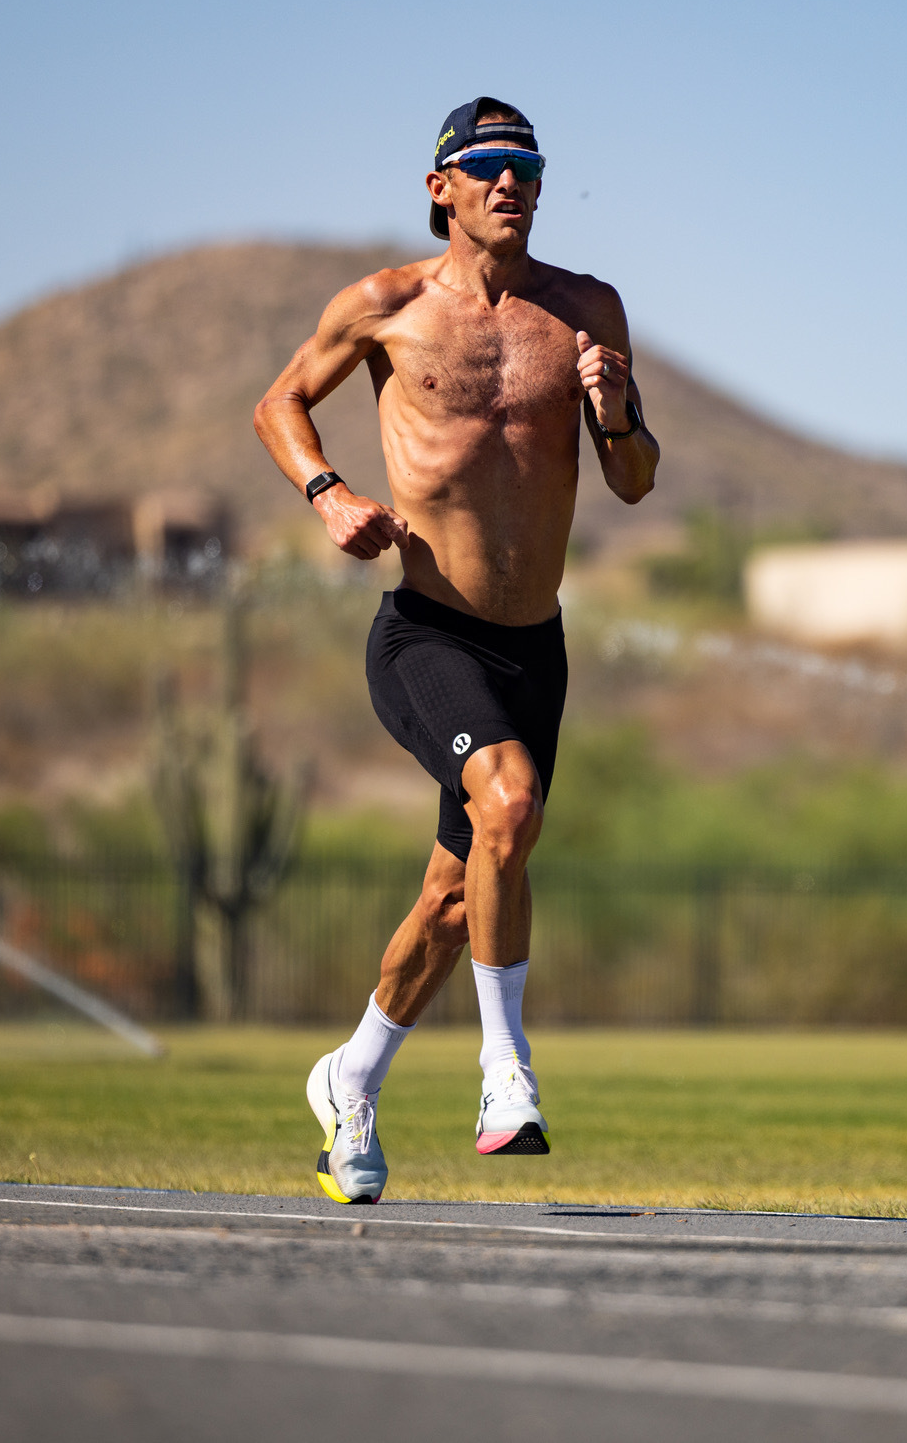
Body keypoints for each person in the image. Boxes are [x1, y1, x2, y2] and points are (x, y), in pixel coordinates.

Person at [252, 97, 659, 1204]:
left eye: (526, 164)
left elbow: (630, 478)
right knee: (509, 801)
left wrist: (616, 412)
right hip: (427, 633)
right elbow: (278, 401)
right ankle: (504, 1070)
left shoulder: (585, 309)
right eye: (486, 165)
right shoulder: (386, 305)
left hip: (538, 648)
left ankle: (350, 1076)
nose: (510, 181)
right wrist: (327, 490)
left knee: (451, 896)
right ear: (441, 185)